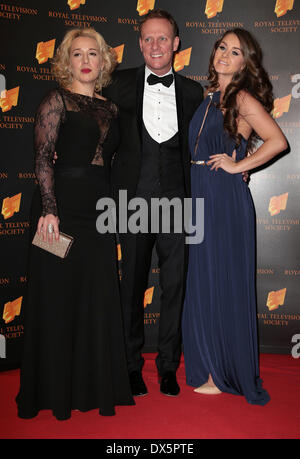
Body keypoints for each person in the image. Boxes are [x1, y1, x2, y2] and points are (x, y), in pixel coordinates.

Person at [16, 28, 134, 420]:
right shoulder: (56, 100)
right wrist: (49, 208)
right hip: (61, 207)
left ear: (103, 61)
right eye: (77, 54)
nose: (85, 60)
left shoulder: (111, 108)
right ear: (66, 61)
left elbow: (112, 163)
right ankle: (53, 390)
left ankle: (94, 386)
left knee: (96, 296)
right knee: (58, 296)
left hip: (98, 213)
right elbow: (44, 156)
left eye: (93, 54)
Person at [182, 28, 287, 405]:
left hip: (223, 200)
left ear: (246, 63)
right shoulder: (210, 96)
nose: (225, 54)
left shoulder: (241, 97)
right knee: (204, 282)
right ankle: (209, 363)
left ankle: (220, 371)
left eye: (236, 52)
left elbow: (278, 141)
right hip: (200, 198)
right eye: (222, 47)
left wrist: (238, 164)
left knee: (220, 281)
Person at [103, 9, 203, 397]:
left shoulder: (194, 93)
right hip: (130, 203)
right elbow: (87, 116)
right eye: (148, 38)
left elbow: (209, 139)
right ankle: (130, 366)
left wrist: (237, 165)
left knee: (175, 288)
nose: (156, 45)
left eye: (163, 38)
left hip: (178, 204)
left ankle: (167, 367)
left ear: (176, 43)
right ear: (139, 43)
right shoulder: (118, 84)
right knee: (131, 288)